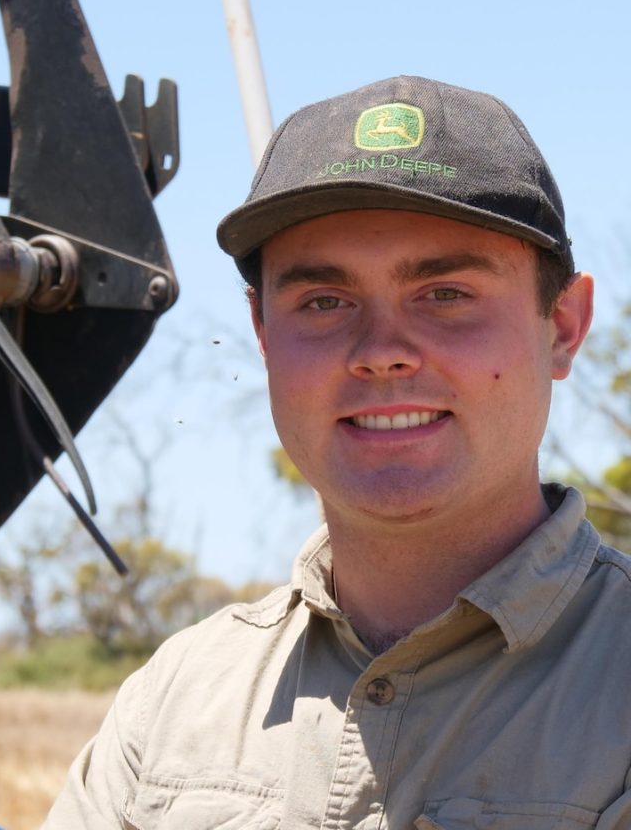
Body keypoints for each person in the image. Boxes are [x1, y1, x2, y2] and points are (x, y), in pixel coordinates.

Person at [42, 76, 631, 830]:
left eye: (445, 294)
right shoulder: (175, 704)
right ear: (261, 335)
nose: (382, 353)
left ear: (564, 326)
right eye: (324, 302)